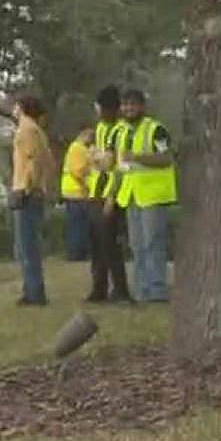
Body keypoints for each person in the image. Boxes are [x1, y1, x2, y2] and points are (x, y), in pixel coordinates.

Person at [116, 89, 176, 303]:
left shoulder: (156, 129)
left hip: (153, 196)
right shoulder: (122, 131)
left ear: (142, 106)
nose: (128, 109)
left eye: (132, 105)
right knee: (137, 245)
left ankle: (157, 290)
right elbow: (121, 166)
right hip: (131, 195)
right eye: (124, 105)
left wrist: (139, 157)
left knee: (153, 243)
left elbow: (166, 158)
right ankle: (142, 291)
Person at [85, 87, 133, 303]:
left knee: (110, 245)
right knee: (96, 245)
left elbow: (114, 164)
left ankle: (120, 290)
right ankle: (99, 288)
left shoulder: (121, 130)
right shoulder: (101, 129)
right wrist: (99, 157)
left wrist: (112, 197)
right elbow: (96, 158)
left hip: (111, 192)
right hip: (96, 190)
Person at [10, 94, 56, 306]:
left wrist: (27, 187)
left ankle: (34, 292)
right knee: (28, 245)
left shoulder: (26, 129)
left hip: (27, 191)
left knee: (27, 245)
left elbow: (32, 160)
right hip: (33, 189)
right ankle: (32, 289)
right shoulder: (37, 130)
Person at [60, 126, 95, 262]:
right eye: (90, 134)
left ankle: (79, 252)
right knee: (77, 225)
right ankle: (76, 253)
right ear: (83, 133)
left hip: (78, 192)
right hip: (75, 192)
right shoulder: (77, 148)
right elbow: (78, 170)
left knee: (80, 224)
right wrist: (88, 185)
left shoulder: (83, 149)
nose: (92, 138)